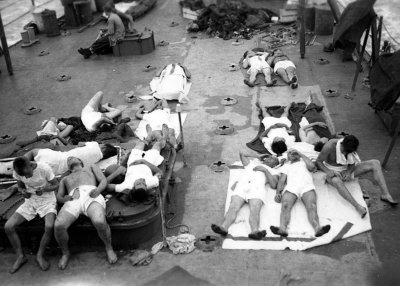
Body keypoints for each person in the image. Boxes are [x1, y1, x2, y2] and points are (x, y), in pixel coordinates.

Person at [54, 157, 118, 270]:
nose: (70, 159)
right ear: (68, 167)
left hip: (91, 194)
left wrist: (98, 190)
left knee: (99, 221)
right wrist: (65, 199)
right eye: (68, 160)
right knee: (59, 226)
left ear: (80, 161)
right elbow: (59, 197)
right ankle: (65, 253)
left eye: (73, 158)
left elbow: (103, 180)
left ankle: (109, 248)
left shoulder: (91, 167)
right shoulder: (65, 178)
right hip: (73, 199)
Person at [316, 135, 398, 217]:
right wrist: (328, 171)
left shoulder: (351, 147)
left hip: (345, 169)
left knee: (375, 163)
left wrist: (348, 172)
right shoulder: (329, 146)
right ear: (342, 144)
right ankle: (357, 206)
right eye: (344, 151)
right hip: (332, 171)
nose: (345, 153)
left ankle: (386, 194)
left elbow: (353, 163)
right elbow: (318, 162)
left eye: (347, 152)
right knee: (336, 181)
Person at [5, 157, 59, 273]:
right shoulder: (18, 171)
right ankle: (20, 256)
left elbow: (56, 185)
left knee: (49, 226)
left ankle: (40, 255)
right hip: (30, 201)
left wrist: (45, 189)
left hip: (47, 200)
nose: (27, 177)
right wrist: (23, 192)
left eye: (28, 174)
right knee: (8, 226)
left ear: (30, 165)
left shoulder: (44, 168)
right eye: (25, 176)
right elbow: (20, 186)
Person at [211, 151, 280, 240]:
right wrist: (258, 155)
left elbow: (274, 185)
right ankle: (224, 227)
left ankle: (255, 231)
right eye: (269, 157)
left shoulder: (273, 171)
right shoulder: (252, 164)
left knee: (255, 209)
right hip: (242, 186)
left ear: (275, 164)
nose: (269, 158)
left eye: (272, 159)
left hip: (257, 189)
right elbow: (242, 153)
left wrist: (265, 170)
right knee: (233, 206)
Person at [270, 149, 331, 237]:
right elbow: (282, 180)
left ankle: (318, 228)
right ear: (287, 157)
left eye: (293, 152)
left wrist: (301, 154)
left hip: (306, 186)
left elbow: (312, 167)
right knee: (285, 205)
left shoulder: (305, 162)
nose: (292, 154)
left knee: (311, 206)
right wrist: (278, 192)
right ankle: (282, 229)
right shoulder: (286, 166)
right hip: (292, 187)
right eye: (289, 153)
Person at [22, 141, 117, 176]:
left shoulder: (95, 145)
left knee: (33, 151)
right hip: (58, 170)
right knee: (36, 170)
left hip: (57, 157)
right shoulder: (96, 161)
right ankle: (25, 169)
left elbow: (81, 144)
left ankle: (21, 163)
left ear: (103, 147)